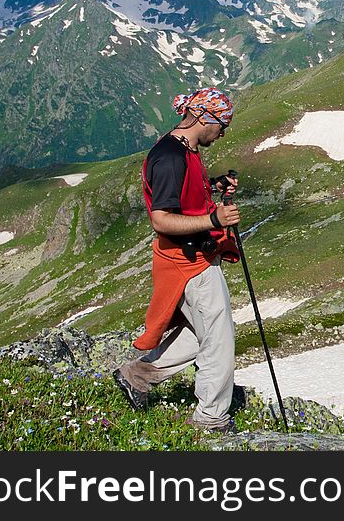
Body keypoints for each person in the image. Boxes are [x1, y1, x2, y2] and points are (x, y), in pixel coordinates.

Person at [113, 87, 242, 432]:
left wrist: (213, 185)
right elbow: (162, 218)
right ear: (203, 118)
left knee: (202, 333)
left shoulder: (183, 148)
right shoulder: (171, 158)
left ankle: (138, 375)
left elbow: (184, 195)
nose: (223, 132)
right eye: (222, 124)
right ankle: (211, 420)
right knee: (218, 339)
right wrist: (215, 220)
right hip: (189, 262)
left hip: (190, 257)